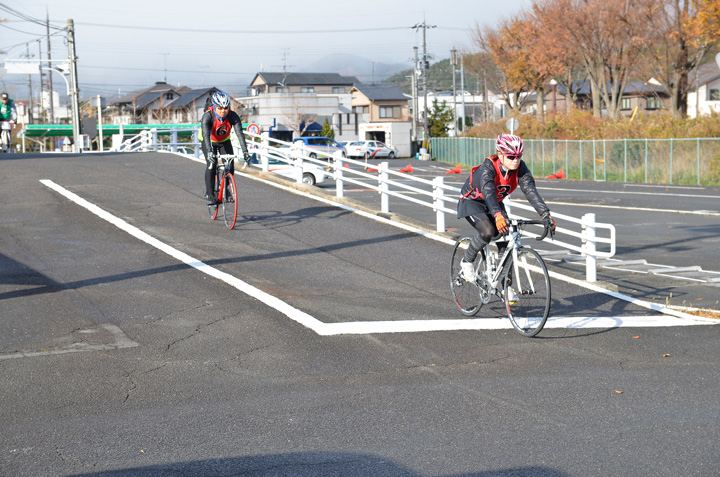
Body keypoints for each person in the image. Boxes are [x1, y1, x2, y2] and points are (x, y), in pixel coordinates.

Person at [456, 133, 556, 290]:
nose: (515, 160)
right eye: (511, 156)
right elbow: (488, 191)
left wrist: (545, 214)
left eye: (518, 156)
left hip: (495, 202)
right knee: (488, 232)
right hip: (473, 201)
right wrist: (497, 215)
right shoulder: (488, 167)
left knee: (507, 239)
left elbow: (530, 191)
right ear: (500, 154)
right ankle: (467, 261)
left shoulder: (520, 168)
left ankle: (505, 285)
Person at [200, 91, 251, 205]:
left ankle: (226, 190)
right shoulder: (208, 116)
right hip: (209, 141)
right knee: (211, 165)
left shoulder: (233, 116)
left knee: (230, 165)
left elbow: (239, 134)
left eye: (225, 108)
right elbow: (206, 135)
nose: (223, 111)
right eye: (220, 108)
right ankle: (209, 194)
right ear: (214, 106)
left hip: (224, 141)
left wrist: (245, 151)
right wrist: (209, 152)